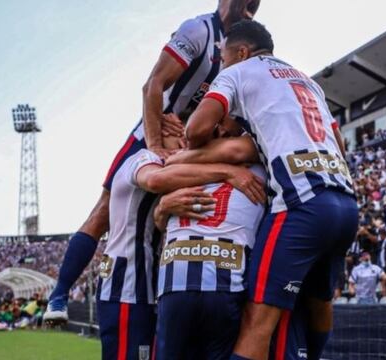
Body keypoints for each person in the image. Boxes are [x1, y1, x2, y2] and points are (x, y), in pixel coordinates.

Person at [44, 0, 262, 324]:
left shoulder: (240, 54)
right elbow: (152, 86)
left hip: (194, 143)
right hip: (153, 134)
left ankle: (164, 301)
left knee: (167, 222)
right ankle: (59, 294)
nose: (248, 7)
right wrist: (156, 143)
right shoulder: (198, 30)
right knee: (106, 210)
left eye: (255, 5)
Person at [185, 20, 357, 360]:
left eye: (223, 57)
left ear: (242, 51)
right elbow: (339, 143)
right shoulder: (307, 81)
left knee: (257, 321)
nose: (221, 64)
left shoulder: (238, 72)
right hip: (345, 203)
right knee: (320, 302)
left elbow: (196, 129)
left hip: (301, 204)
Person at [153, 153, 266, 358]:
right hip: (220, 283)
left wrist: (161, 209)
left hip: (177, 283)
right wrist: (161, 209)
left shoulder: (181, 170)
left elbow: (162, 174)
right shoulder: (258, 167)